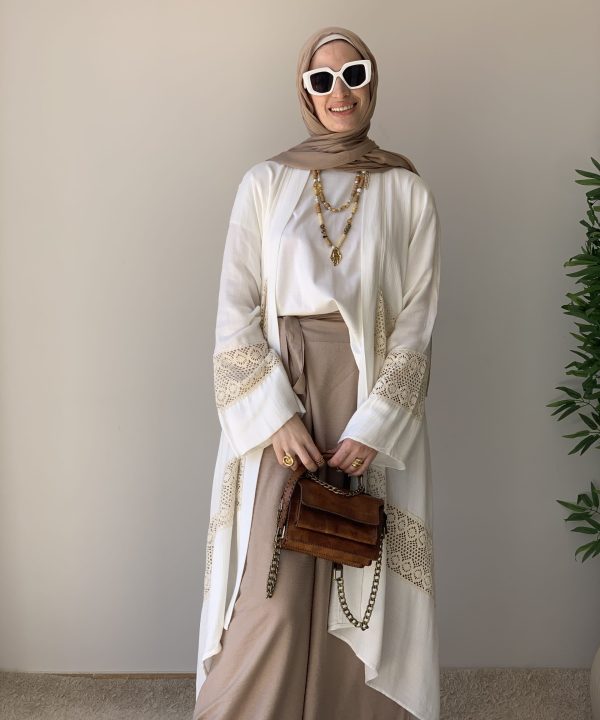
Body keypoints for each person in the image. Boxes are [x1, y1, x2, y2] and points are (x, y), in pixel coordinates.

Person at [193, 25, 441, 720]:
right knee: (268, 590)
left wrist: (378, 422)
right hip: (285, 384)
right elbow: (235, 307)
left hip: (366, 390)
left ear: (372, 83)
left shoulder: (406, 191)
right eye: (323, 79)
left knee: (360, 571)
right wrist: (273, 415)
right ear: (305, 90)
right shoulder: (266, 183)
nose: (340, 91)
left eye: (353, 74)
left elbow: (418, 318)